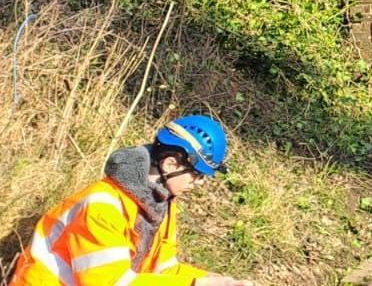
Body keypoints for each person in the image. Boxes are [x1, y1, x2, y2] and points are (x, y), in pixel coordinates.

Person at [9, 115, 254, 286]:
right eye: (198, 175)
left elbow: (163, 270)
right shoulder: (103, 206)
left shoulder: (162, 205)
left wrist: (215, 280)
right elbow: (108, 283)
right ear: (170, 164)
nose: (199, 183)